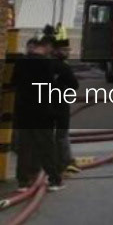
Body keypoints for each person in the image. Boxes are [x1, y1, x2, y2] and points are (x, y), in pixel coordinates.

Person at [12, 36, 64, 191]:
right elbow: (50, 88)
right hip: (41, 111)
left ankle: (22, 182)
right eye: (51, 49)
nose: (51, 52)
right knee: (46, 146)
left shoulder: (21, 62)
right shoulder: (46, 63)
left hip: (23, 111)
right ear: (47, 46)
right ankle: (54, 180)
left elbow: (14, 82)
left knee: (24, 148)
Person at [49, 28, 80, 176]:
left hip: (42, 105)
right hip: (60, 105)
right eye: (65, 49)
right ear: (56, 50)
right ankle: (65, 163)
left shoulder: (43, 64)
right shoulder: (63, 67)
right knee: (62, 135)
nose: (67, 52)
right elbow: (74, 85)